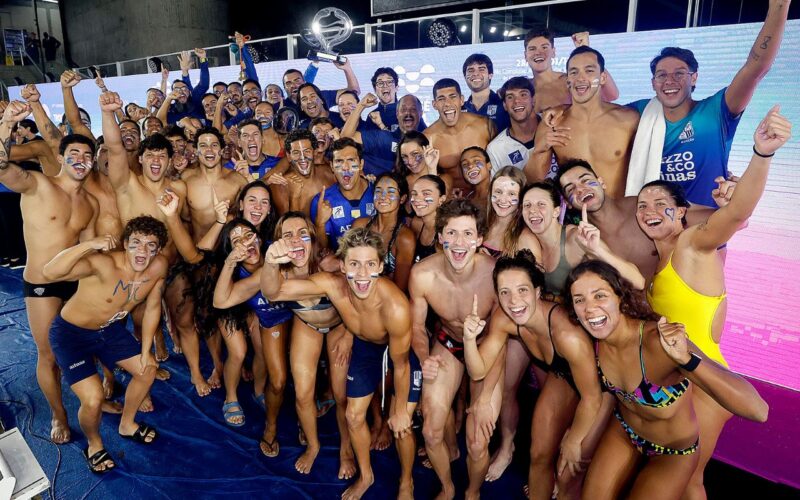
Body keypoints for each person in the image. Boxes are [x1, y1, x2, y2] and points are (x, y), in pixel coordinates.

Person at [638, 106, 790, 499]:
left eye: (660, 203)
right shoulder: (657, 263)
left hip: (705, 384)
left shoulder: (694, 244)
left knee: (689, 479)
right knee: (678, 477)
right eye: (643, 205)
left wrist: (762, 154)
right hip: (673, 384)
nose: (649, 211)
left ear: (682, 212)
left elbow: (738, 211)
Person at [565, 260, 768, 500]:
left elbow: (758, 410)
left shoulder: (657, 342)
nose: (589, 308)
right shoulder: (592, 341)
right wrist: (575, 438)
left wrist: (686, 360)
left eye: (599, 296)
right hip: (624, 432)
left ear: (619, 296)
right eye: (579, 300)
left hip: (673, 451)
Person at [261, 227, 419, 500]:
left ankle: (407, 482)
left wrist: (402, 408)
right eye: (354, 264)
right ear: (343, 265)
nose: (361, 274)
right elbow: (274, 292)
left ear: (381, 266)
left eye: (370, 264)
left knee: (401, 424)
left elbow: (402, 364)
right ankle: (366, 475)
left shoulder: (395, 307)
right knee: (353, 416)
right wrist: (269, 263)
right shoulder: (332, 284)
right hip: (365, 348)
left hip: (395, 353)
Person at [464, 250, 606, 499]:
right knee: (539, 456)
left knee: (568, 470)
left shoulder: (568, 336)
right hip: (562, 375)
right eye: (504, 292)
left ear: (538, 291)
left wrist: (573, 439)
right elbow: (478, 370)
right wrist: (468, 339)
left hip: (603, 388)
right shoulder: (504, 318)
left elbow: (592, 397)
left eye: (522, 290)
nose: (514, 301)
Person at [0, 102, 100, 444]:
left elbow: (89, 252)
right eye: (73, 152)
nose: (80, 159)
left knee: (84, 345)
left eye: (87, 154)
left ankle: (96, 395)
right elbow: (0, 165)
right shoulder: (37, 185)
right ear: (62, 156)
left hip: (74, 283)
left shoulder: (91, 203)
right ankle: (59, 415)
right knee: (50, 356)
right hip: (42, 283)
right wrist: (6, 124)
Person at [626, 0, 791, 205]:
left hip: (707, 229)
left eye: (679, 73)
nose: (669, 81)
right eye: (661, 75)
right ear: (653, 83)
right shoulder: (641, 111)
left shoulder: (716, 111)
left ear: (693, 78)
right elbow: (595, 114)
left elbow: (755, 68)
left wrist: (779, 6)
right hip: (654, 228)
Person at [42, 216, 168, 473]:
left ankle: (127, 423)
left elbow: (154, 306)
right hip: (71, 335)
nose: (143, 251)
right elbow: (49, 272)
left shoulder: (159, 267)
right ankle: (94, 444)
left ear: (158, 250)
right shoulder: (104, 263)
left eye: (151, 245)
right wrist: (88, 245)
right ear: (125, 243)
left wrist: (145, 352)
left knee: (148, 369)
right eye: (136, 243)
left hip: (107, 330)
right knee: (93, 399)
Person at [409, 199, 502, 500]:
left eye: (467, 234)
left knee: (477, 441)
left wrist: (485, 398)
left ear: (479, 239)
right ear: (440, 238)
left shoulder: (495, 275)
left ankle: (472, 492)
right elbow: (416, 327)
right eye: (451, 233)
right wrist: (425, 358)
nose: (459, 243)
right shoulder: (422, 274)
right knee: (430, 431)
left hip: (488, 347)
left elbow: (500, 340)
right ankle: (448, 488)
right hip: (448, 344)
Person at [527, 46, 639, 198]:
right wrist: (540, 149)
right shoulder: (553, 123)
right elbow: (533, 181)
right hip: (576, 218)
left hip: (619, 214)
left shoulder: (628, 120)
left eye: (589, 71)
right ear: (568, 80)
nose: (580, 78)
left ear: (603, 77)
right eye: (574, 72)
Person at [424, 79, 495, 194]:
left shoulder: (483, 126)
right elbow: (427, 178)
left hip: (486, 196)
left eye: (452, 97)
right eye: (441, 99)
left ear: (461, 100)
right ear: (434, 104)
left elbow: (499, 162)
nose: (447, 103)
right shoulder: (429, 138)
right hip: (452, 202)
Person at [524, 29, 619, 113]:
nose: (538, 53)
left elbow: (611, 95)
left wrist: (586, 51)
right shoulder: (522, 88)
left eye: (544, 47)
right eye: (532, 49)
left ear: (553, 52)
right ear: (525, 56)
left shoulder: (569, 81)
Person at [353, 172, 416, 292]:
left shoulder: (404, 237)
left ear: (402, 199)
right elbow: (346, 263)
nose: (383, 196)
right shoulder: (360, 225)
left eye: (391, 192)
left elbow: (399, 288)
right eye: (378, 191)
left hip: (387, 299)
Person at [309, 138, 375, 250]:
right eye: (339, 161)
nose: (345, 167)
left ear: (361, 164)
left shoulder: (378, 194)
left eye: (351, 160)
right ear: (332, 167)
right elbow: (321, 252)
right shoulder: (321, 202)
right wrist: (320, 224)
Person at [342, 94, 426, 176]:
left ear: (421, 113)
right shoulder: (384, 139)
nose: (408, 113)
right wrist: (361, 105)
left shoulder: (428, 140)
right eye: (403, 110)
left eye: (413, 109)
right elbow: (344, 139)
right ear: (397, 114)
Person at [271, 128, 335, 216]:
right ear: (289, 156)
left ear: (315, 152)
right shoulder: (280, 185)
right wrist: (295, 197)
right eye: (296, 152)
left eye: (307, 151)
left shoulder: (330, 173)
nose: (302, 157)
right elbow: (287, 225)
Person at [486, 77, 541, 178]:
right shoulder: (496, 149)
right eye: (510, 97)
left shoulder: (553, 124)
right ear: (505, 105)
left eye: (523, 95)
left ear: (533, 100)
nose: (517, 101)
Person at [462, 53, 510, 132]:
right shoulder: (461, 109)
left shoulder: (504, 103)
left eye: (481, 69)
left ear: (490, 75)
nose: (475, 73)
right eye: (471, 70)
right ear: (465, 77)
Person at [408, 174, 446, 264]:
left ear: (441, 199)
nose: (417, 198)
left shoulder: (446, 230)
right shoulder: (417, 224)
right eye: (414, 194)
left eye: (426, 194)